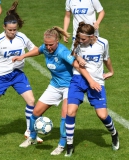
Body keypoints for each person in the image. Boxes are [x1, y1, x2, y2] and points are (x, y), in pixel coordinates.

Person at [15, 26, 99, 155]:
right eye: (46, 44)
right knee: (35, 113)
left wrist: (91, 80)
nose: (48, 47)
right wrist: (23, 56)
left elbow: (77, 65)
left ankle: (61, 145)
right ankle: (32, 138)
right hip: (54, 85)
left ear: (57, 42)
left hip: (69, 86)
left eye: (51, 45)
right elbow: (38, 50)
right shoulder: (45, 48)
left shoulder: (62, 52)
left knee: (65, 116)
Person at [0, 1, 42, 148]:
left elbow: (36, 49)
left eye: (14, 30)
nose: (13, 32)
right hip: (1, 76)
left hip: (18, 74)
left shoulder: (22, 37)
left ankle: (29, 131)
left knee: (31, 101)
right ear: (4, 27)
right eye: (10, 30)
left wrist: (24, 56)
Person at [64, 22, 119, 157]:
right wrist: (78, 57)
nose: (80, 41)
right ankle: (69, 145)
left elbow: (106, 59)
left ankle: (114, 133)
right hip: (79, 79)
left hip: (97, 81)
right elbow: (74, 57)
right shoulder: (77, 42)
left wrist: (111, 71)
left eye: (84, 39)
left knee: (102, 115)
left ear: (92, 36)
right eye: (79, 38)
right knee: (70, 112)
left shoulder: (103, 43)